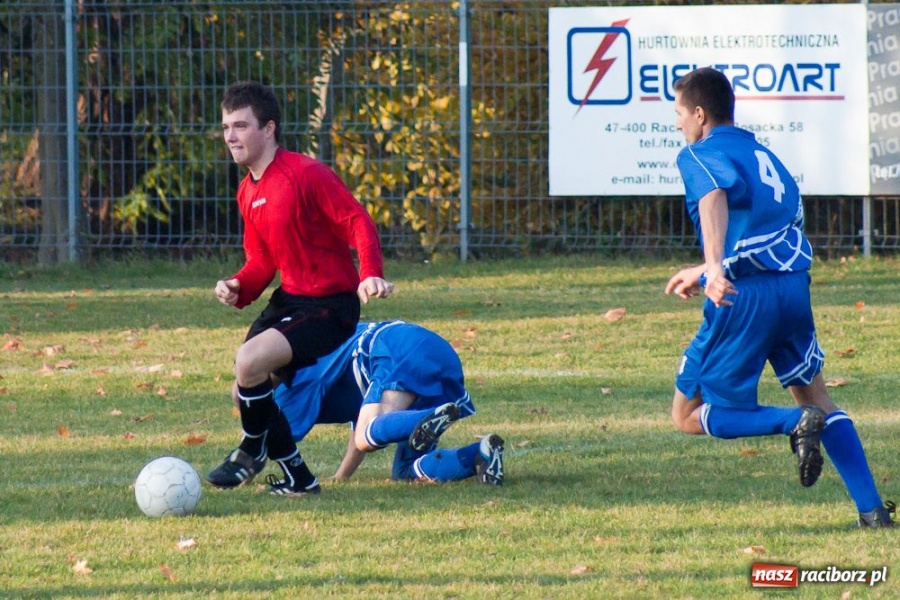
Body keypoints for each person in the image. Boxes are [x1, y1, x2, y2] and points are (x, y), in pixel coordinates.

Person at [664, 67, 893, 528]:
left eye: (679, 113)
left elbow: (712, 197)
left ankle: (791, 422)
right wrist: (711, 265)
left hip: (744, 297)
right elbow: (767, 230)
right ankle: (872, 512)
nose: (677, 123)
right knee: (822, 400)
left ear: (701, 114)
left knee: (687, 414)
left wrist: (713, 267)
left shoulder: (700, 153)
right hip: (792, 289)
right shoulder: (764, 154)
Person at [207, 81, 394, 496]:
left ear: (268, 129)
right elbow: (262, 261)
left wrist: (370, 273)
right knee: (245, 392)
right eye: (225, 128)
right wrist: (239, 285)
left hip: (331, 305)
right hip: (291, 299)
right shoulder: (247, 190)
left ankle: (251, 450)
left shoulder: (305, 174)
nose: (230, 137)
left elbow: (357, 221)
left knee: (250, 363)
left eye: (240, 126)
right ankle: (298, 477)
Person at [274, 320, 505, 485]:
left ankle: (425, 416)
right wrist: (341, 477)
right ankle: (479, 454)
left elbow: (268, 433)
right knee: (405, 472)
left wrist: (242, 471)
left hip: (396, 349)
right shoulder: (320, 348)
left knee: (367, 436)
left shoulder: (296, 371)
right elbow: (361, 423)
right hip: (437, 350)